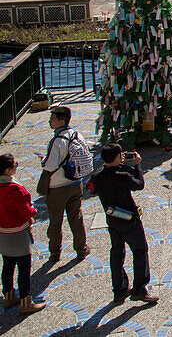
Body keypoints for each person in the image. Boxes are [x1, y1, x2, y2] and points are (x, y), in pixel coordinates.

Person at [89, 143, 157, 305]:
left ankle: (119, 289)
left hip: (112, 219)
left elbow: (93, 189)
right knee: (140, 250)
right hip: (129, 219)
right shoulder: (122, 176)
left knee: (117, 253)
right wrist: (137, 166)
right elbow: (139, 184)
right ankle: (139, 289)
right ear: (116, 158)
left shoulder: (97, 176)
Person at [41, 105, 90, 262]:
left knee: (55, 220)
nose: (49, 121)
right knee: (76, 217)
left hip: (57, 187)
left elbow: (49, 165)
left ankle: (55, 252)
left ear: (61, 121)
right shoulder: (77, 135)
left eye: (52, 119)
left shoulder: (57, 141)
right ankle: (81, 248)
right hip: (75, 183)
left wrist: (42, 160)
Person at [0, 154, 44, 314]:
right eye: (14, 165)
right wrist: (34, 210)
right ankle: (26, 302)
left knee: (8, 265)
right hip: (18, 233)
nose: (16, 167)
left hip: (2, 233)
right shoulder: (15, 189)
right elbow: (26, 212)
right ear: (8, 169)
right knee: (24, 269)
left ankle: (8, 296)